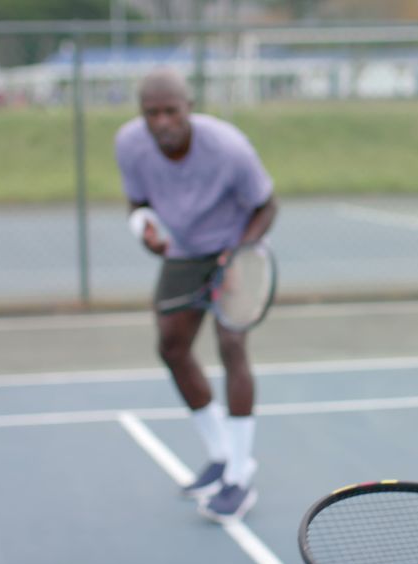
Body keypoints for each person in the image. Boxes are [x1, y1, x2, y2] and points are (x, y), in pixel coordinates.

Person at [115, 68, 277, 523]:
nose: (162, 121)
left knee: (231, 345)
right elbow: (137, 202)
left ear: (189, 107)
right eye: (152, 113)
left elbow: (267, 205)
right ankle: (221, 453)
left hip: (235, 246)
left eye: (170, 111)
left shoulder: (229, 148)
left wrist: (237, 256)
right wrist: (142, 227)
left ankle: (240, 477)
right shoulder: (129, 144)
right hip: (184, 251)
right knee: (171, 346)